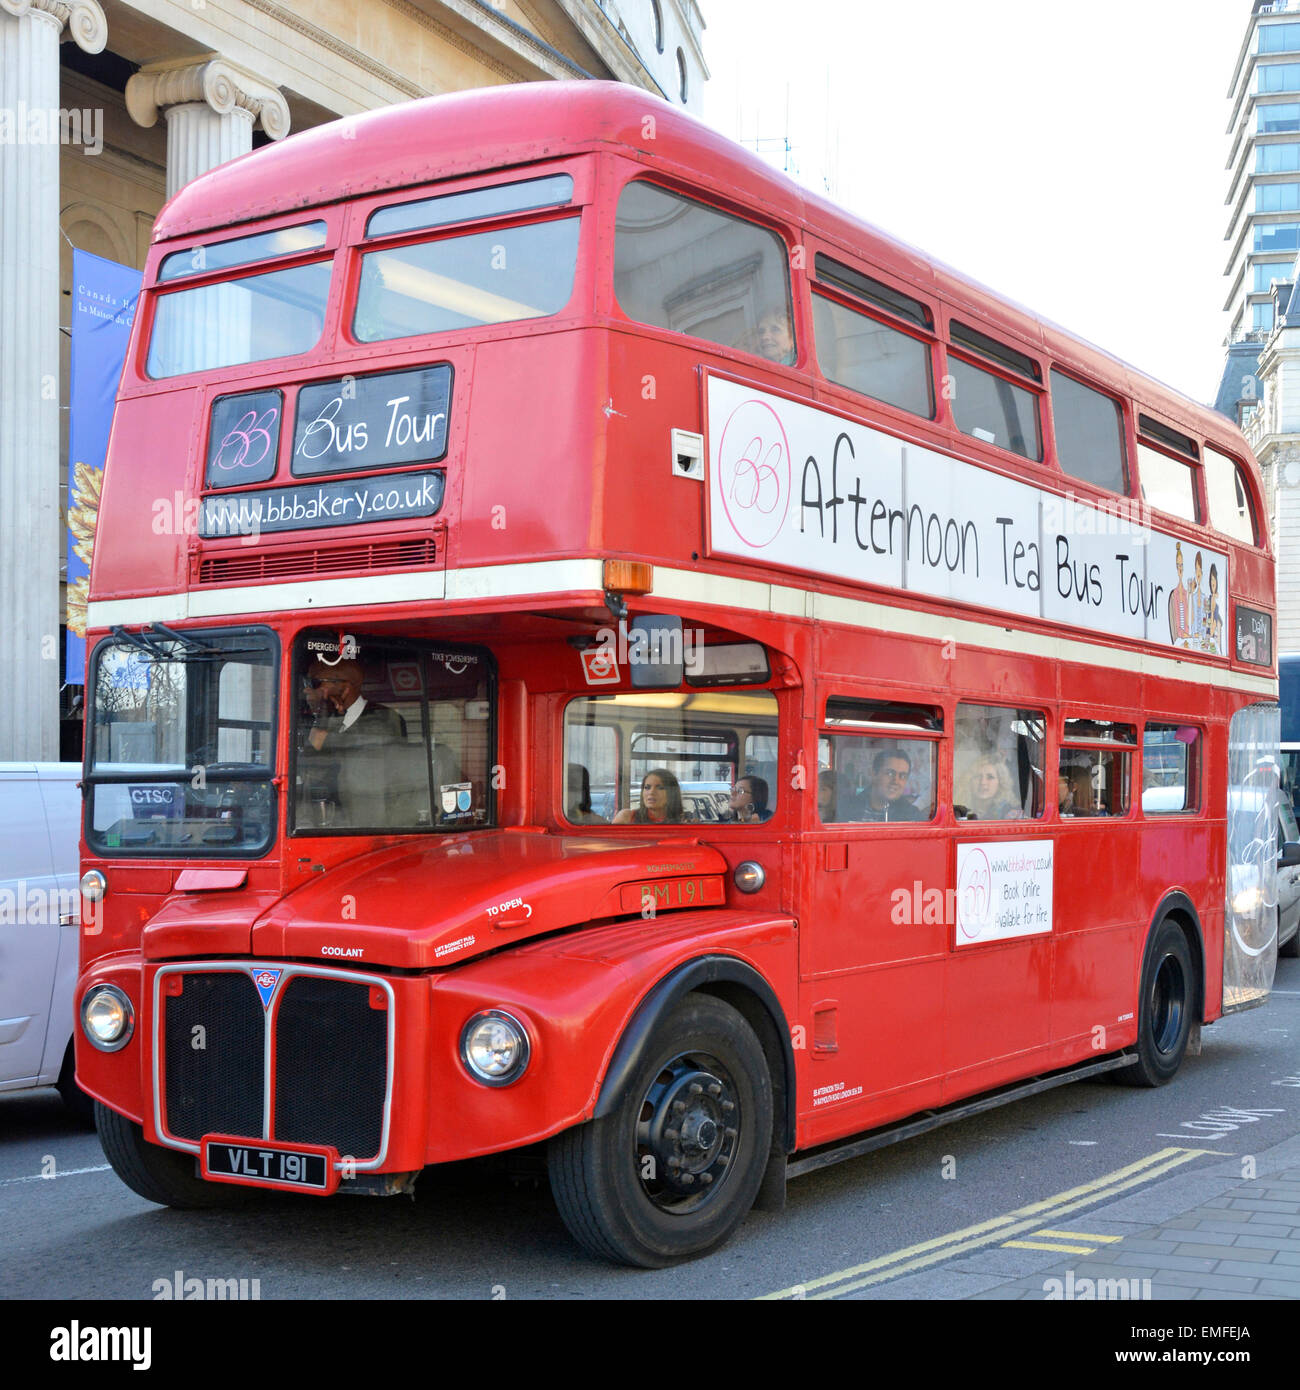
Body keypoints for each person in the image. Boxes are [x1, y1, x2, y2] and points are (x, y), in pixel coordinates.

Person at [300, 659, 407, 826]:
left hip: (370, 823)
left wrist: (324, 738)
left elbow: (363, 748)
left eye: (316, 683)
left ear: (345, 687)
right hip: (327, 823)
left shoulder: (384, 718)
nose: (307, 690)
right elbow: (311, 765)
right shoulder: (328, 718)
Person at [860, 747, 923, 822]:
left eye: (902, 776)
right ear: (874, 774)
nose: (896, 781)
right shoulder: (847, 808)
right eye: (890, 773)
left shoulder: (912, 815)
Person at [614, 768, 686, 825]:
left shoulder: (684, 822)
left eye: (660, 788)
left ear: (672, 793)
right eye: (647, 787)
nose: (651, 792)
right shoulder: (627, 818)